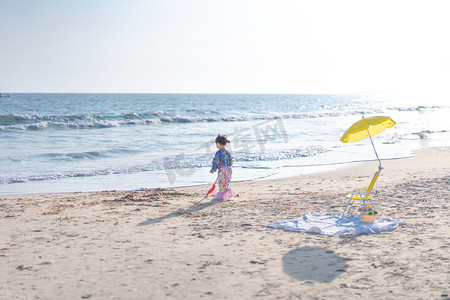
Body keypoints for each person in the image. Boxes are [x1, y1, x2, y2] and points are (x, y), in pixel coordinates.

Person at [210, 134, 237, 201]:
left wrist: (213, 169)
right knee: (227, 183)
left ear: (219, 144)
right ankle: (227, 196)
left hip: (222, 170)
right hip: (229, 169)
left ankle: (222, 197)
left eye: (216, 144)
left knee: (221, 183)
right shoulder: (228, 152)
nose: (216, 146)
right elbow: (231, 162)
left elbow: (215, 162)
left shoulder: (218, 153)